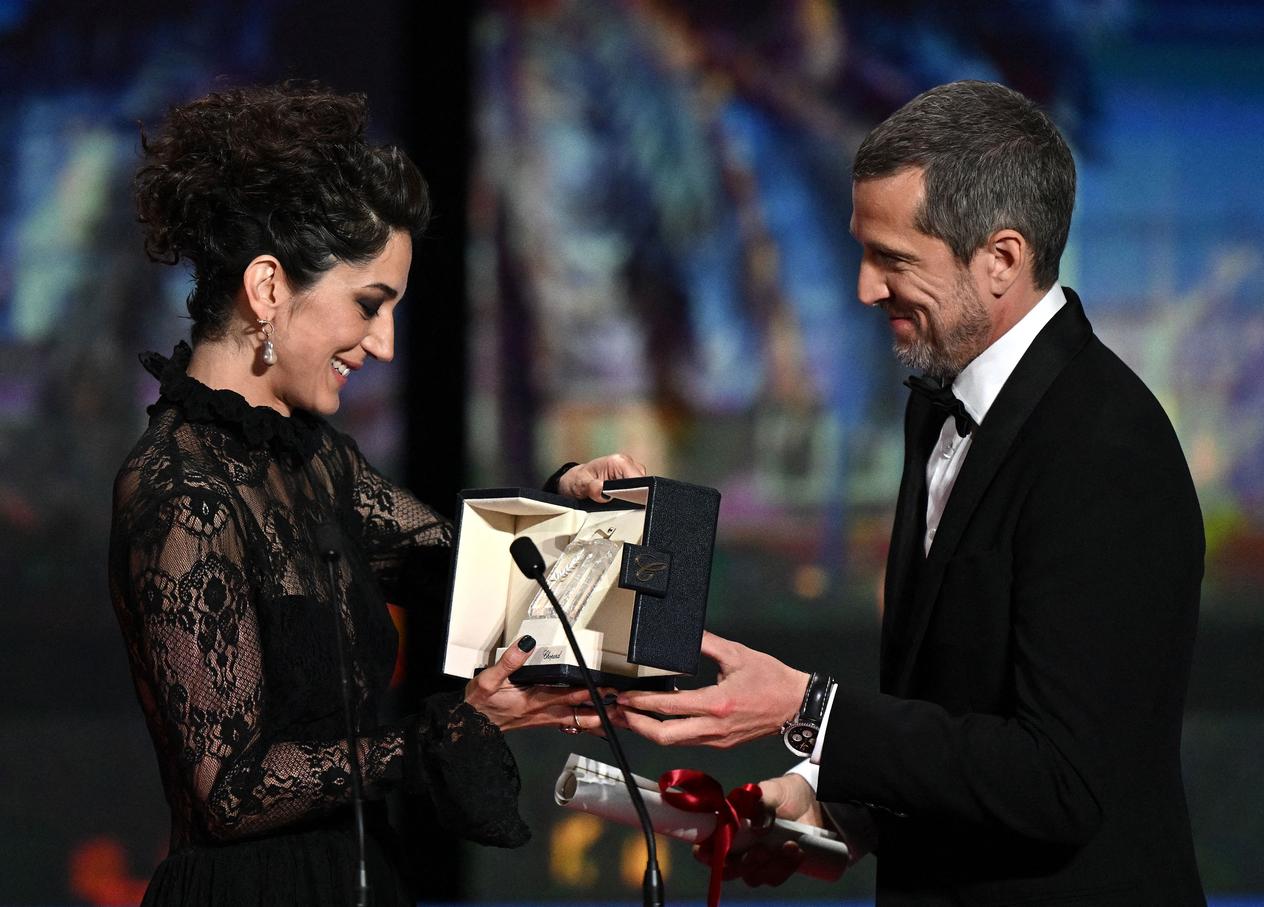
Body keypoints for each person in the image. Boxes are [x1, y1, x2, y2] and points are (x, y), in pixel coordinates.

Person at [619, 81, 1206, 905]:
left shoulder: (1105, 449)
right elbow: (961, 718)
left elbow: (1061, 781)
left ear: (1001, 259)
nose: (864, 288)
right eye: (864, 252)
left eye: (893, 260)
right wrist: (843, 808)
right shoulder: (937, 401)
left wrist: (809, 708)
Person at [109, 84, 642, 907]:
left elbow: (463, 566)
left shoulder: (315, 462)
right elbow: (231, 789)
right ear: (267, 289)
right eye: (370, 305)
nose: (386, 344)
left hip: (361, 881)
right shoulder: (180, 490)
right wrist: (451, 730)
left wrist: (566, 500)